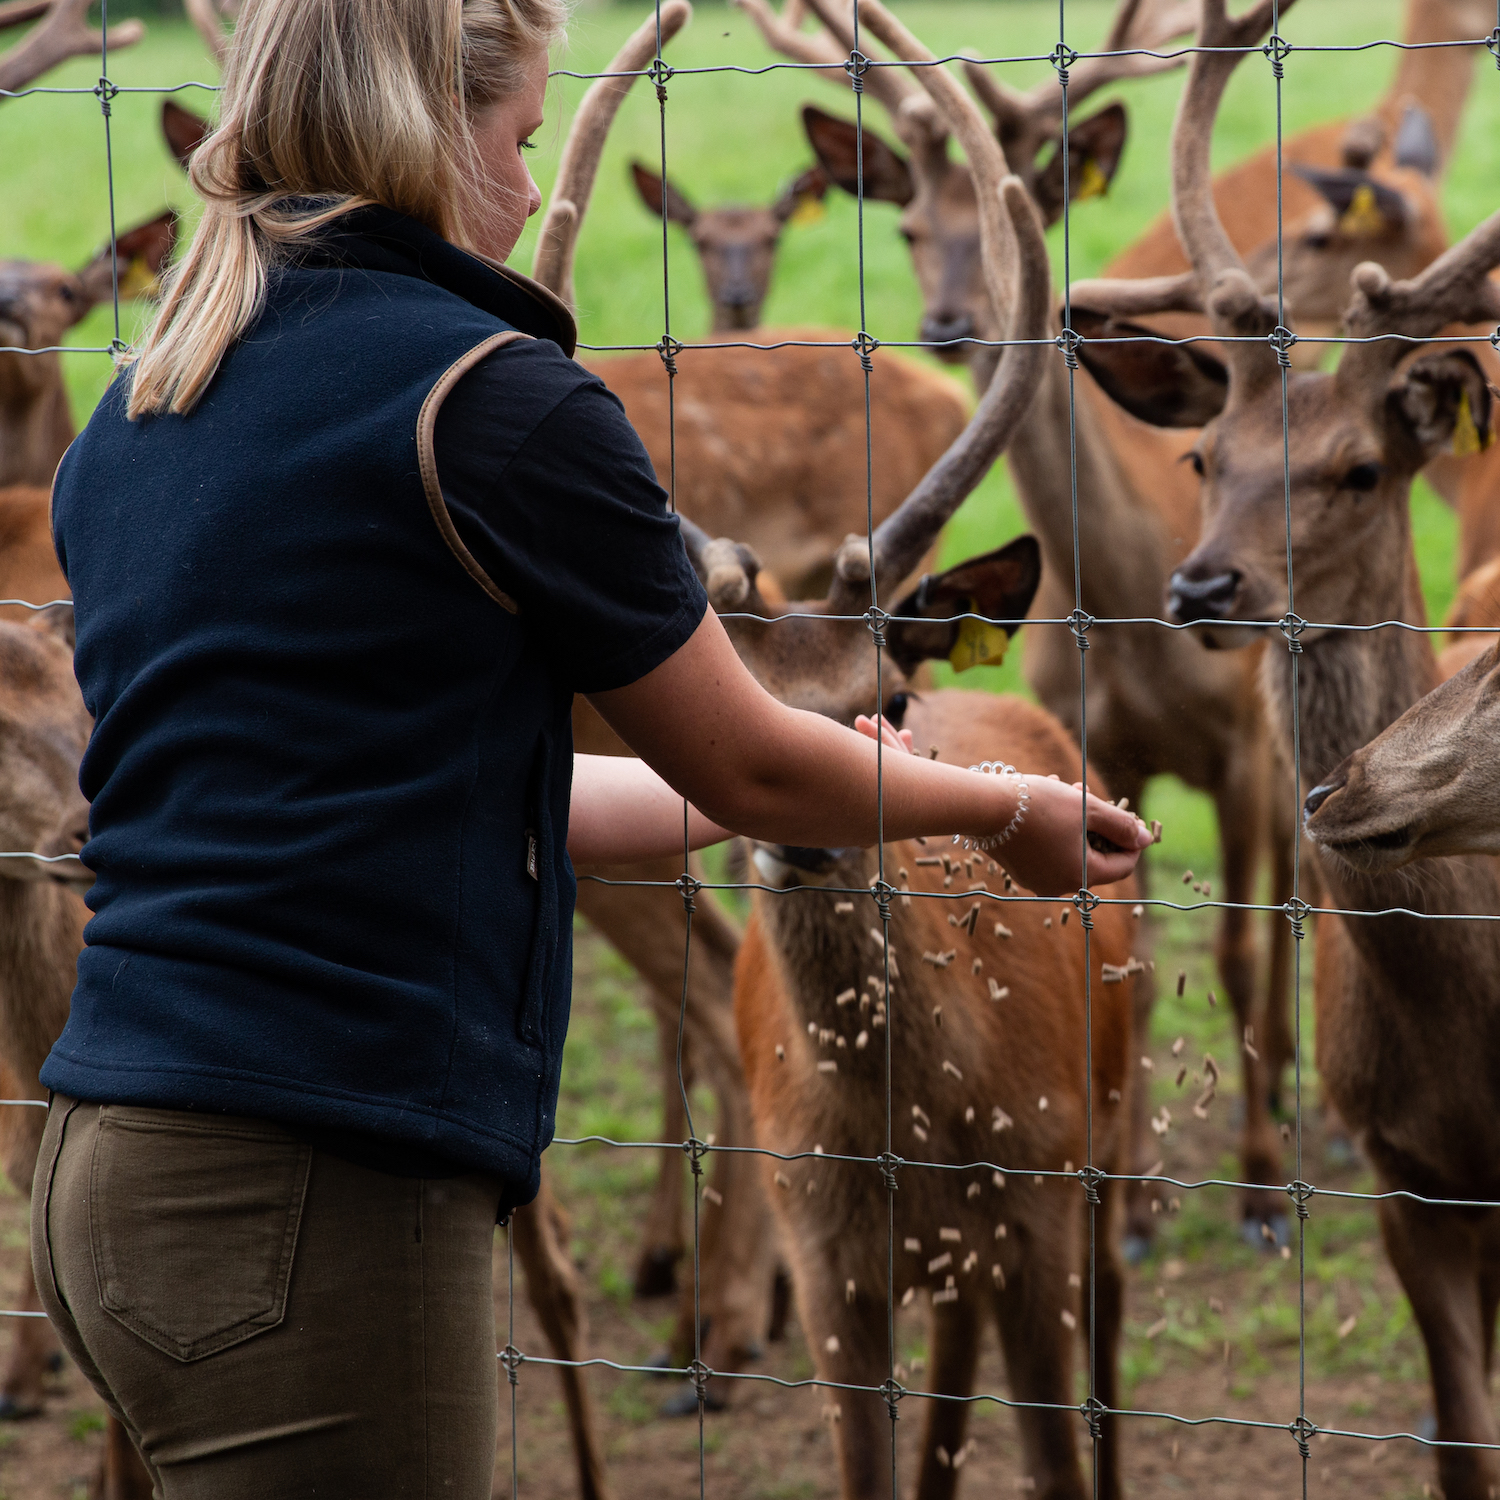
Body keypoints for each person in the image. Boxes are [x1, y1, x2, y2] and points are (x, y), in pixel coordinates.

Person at [30, 0, 1152, 1492]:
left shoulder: (140, 408)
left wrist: (777, 797)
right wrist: (1003, 807)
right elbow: (750, 763)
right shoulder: (487, 401)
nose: (524, 178)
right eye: (520, 138)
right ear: (432, 130)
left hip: (101, 1165)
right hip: (317, 1183)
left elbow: (465, 790)